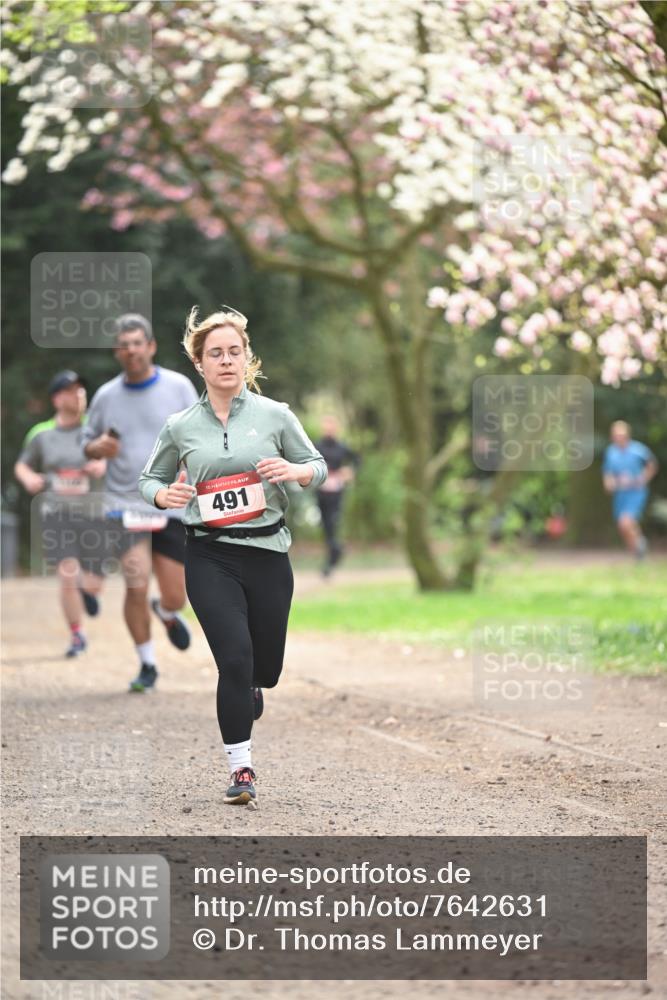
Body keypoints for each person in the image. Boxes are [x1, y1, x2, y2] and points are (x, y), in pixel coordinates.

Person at [138, 306, 327, 806]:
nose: (226, 361)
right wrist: (164, 497)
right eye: (215, 354)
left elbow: (317, 464)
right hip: (209, 555)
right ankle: (241, 768)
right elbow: (149, 479)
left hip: (268, 552)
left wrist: (295, 471)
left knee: (263, 669)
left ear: (247, 358)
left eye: (234, 352)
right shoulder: (180, 426)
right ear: (199, 364)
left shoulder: (276, 415)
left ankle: (254, 687)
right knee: (234, 660)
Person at [82, 313, 199, 691]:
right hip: (124, 503)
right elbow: (86, 441)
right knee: (135, 583)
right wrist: (96, 446)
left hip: (170, 502)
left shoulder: (179, 387)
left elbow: (200, 433)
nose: (131, 350)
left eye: (137, 343)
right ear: (117, 352)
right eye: (124, 344)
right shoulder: (105, 396)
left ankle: (165, 612)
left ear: (150, 347)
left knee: (176, 594)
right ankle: (147, 663)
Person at [14, 370, 106, 657]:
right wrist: (28, 478)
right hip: (57, 512)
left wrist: (102, 465)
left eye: (81, 390)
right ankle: (77, 635)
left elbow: (115, 457)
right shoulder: (42, 434)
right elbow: (22, 465)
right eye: (70, 391)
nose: (78, 395)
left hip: (93, 513)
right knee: (67, 574)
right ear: (57, 398)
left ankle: (87, 590)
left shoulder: (96, 428)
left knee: (93, 581)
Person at [602, 420, 658, 559]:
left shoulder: (638, 450)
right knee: (622, 527)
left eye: (621, 434)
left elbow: (652, 464)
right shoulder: (611, 452)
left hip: (636, 492)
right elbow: (608, 473)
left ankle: (640, 545)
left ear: (627, 435)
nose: (618, 437)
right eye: (615, 435)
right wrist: (608, 484)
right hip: (621, 494)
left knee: (626, 522)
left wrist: (643, 478)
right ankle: (637, 553)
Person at [314, 415, 359, 577]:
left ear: (336, 428)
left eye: (331, 426)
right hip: (321, 492)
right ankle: (333, 557)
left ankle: (332, 559)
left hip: (337, 492)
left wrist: (349, 472)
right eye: (326, 426)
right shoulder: (316, 446)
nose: (328, 429)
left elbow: (357, 460)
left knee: (333, 524)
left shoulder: (342, 447)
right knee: (326, 527)